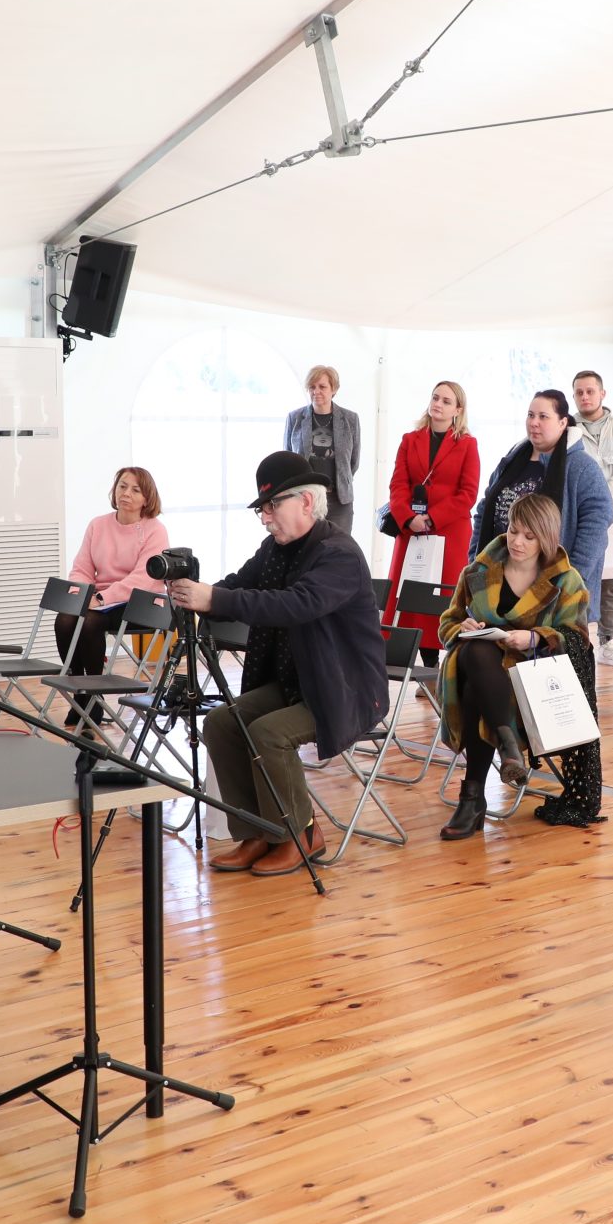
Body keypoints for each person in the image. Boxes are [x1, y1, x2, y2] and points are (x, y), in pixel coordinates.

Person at [175, 454, 387, 877]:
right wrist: (194, 595)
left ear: (306, 502)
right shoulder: (275, 550)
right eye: (262, 509)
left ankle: (299, 834)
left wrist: (213, 599)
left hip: (342, 687)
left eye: (272, 506)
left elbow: (296, 605)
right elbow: (239, 585)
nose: (265, 518)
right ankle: (257, 832)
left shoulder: (339, 554)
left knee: (268, 734)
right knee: (221, 722)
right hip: (298, 680)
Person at [435, 493, 601, 838]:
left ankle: (472, 798)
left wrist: (536, 638)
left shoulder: (566, 581)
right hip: (485, 676)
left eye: (529, 536)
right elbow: (447, 621)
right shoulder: (478, 571)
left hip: (532, 686)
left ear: (546, 538)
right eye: (513, 531)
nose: (517, 542)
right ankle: (506, 745)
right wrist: (462, 627)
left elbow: (577, 639)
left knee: (475, 686)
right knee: (476, 652)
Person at [474, 388, 613, 640]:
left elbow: (596, 525)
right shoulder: (513, 459)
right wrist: (475, 559)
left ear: (563, 423)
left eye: (543, 416)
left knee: (544, 657)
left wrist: (572, 576)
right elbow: (484, 509)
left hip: (552, 588)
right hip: (501, 579)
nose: (534, 422)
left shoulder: (581, 466)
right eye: (530, 415)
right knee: (496, 652)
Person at [382, 381, 481, 658]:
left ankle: (440, 665)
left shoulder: (468, 444)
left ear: (458, 410)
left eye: (446, 401)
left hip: (450, 534)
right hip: (411, 531)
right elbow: (397, 485)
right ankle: (408, 661)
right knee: (408, 597)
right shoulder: (409, 440)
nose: (438, 404)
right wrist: (408, 518)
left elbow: (468, 493)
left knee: (442, 600)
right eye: (435, 398)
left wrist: (432, 518)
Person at [59, 465, 169, 679]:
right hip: (102, 602)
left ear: (147, 498)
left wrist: (102, 598)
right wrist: (81, 596)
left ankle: (93, 691)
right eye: (122, 486)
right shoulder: (97, 525)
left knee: (90, 621)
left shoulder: (156, 530)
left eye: (135, 490)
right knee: (65, 619)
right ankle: (79, 688)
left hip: (141, 603)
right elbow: (82, 568)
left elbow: (143, 579)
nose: (126, 493)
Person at [572, 370, 613, 670]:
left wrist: (601, 499)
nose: (584, 397)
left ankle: (608, 642)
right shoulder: (568, 429)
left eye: (590, 391)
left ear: (602, 394)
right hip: (579, 520)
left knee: (612, 582)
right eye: (579, 392)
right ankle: (575, 639)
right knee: (577, 578)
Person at [283, 364, 362, 540]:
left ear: (334, 389)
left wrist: (340, 480)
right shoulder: (294, 418)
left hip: (339, 500)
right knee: (305, 547)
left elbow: (353, 461)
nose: (316, 391)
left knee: (338, 547)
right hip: (304, 499)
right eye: (312, 387)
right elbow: (288, 458)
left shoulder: (350, 419)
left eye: (322, 386)